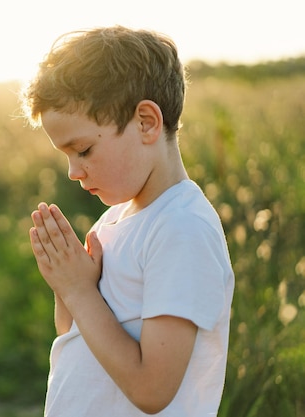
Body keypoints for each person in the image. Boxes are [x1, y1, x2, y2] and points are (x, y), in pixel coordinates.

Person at [21, 26, 234, 416]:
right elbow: (73, 336)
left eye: (83, 149)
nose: (72, 171)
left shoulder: (181, 229)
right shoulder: (113, 221)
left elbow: (152, 389)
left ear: (146, 123)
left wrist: (80, 291)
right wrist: (65, 284)